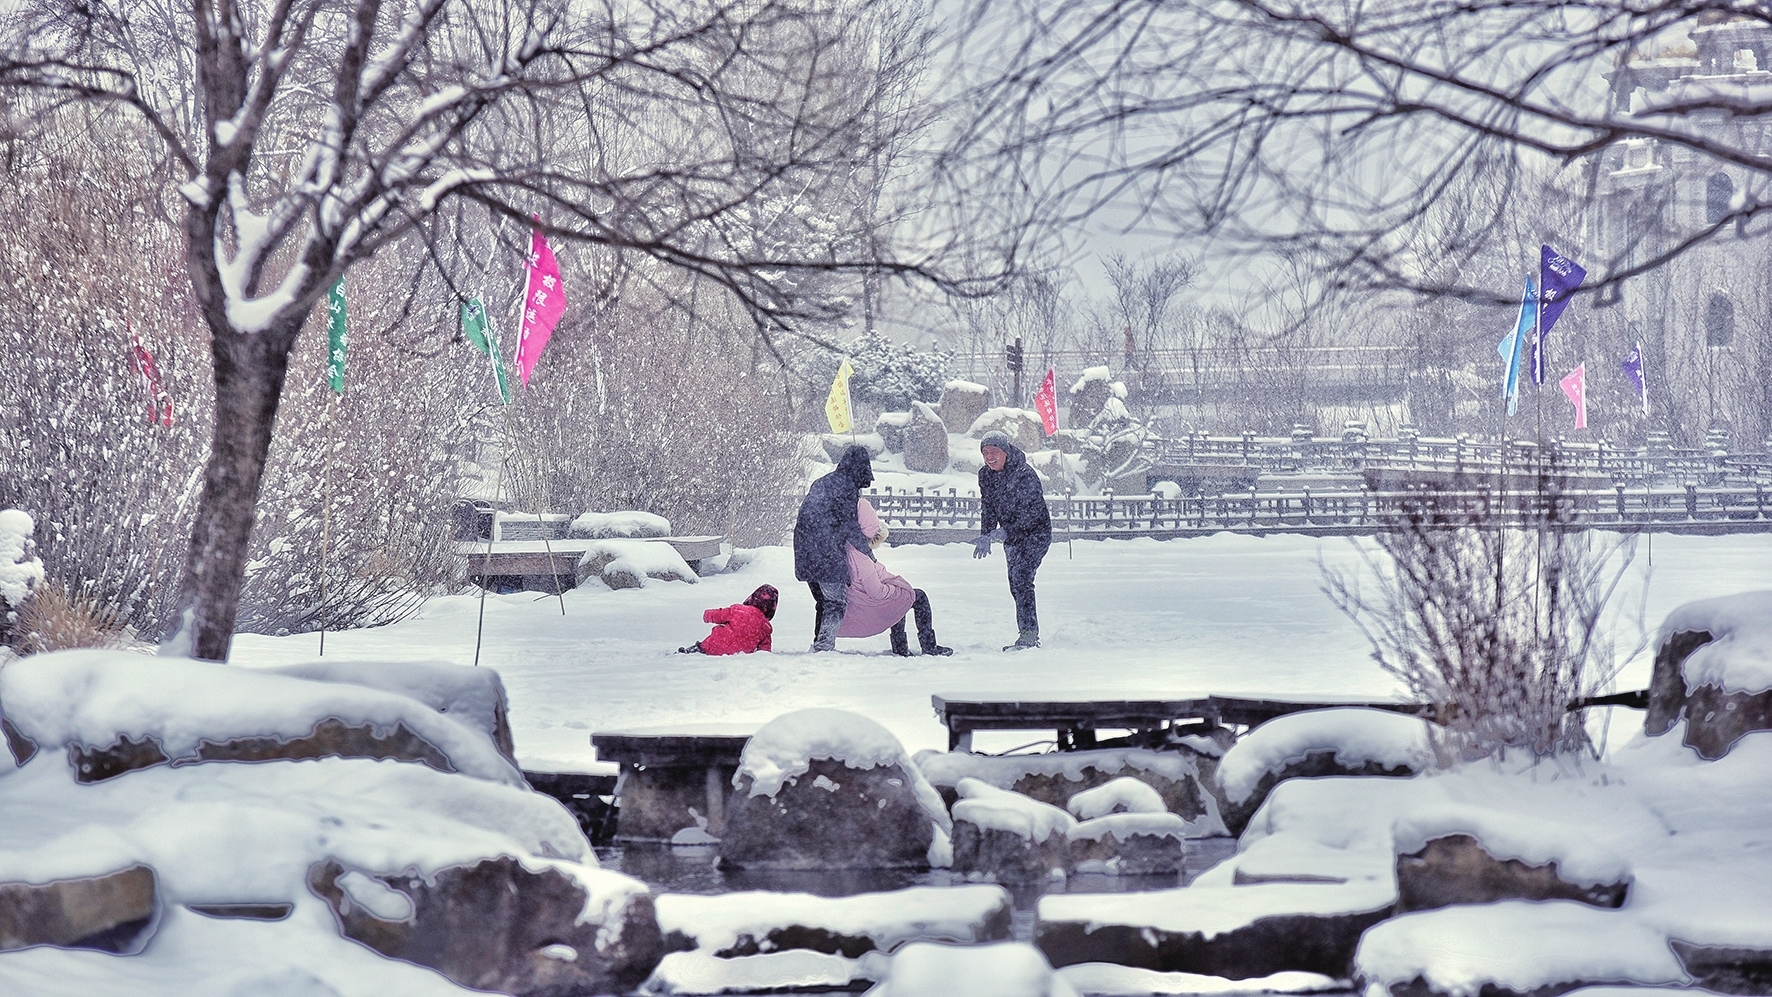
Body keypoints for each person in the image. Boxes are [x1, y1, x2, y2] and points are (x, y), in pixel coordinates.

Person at [839, 498, 953, 656]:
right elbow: (876, 592)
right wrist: (895, 589)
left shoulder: (849, 547)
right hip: (870, 605)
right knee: (913, 597)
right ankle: (928, 646)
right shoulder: (861, 557)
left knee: (901, 599)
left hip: (863, 601)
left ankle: (900, 646)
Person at [972, 433, 1052, 650]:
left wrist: (1006, 531)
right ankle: (1026, 631)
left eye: (993, 452)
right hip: (1012, 536)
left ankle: (1028, 635)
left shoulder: (1024, 474)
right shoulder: (985, 475)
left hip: (1036, 533)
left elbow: (1032, 512)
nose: (989, 457)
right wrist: (986, 534)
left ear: (1005, 452)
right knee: (1016, 583)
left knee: (1022, 578)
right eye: (985, 453)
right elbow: (988, 506)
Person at [794, 444, 876, 651]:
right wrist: (868, 553)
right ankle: (823, 647)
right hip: (826, 552)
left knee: (823, 601)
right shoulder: (846, 488)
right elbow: (849, 525)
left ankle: (819, 643)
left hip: (805, 550)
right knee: (835, 604)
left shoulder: (823, 483)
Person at [679, 584, 778, 655]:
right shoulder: (765, 628)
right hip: (739, 654)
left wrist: (707, 615)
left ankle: (692, 651)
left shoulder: (737, 610)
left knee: (703, 647)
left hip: (714, 646)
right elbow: (764, 651)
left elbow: (718, 615)